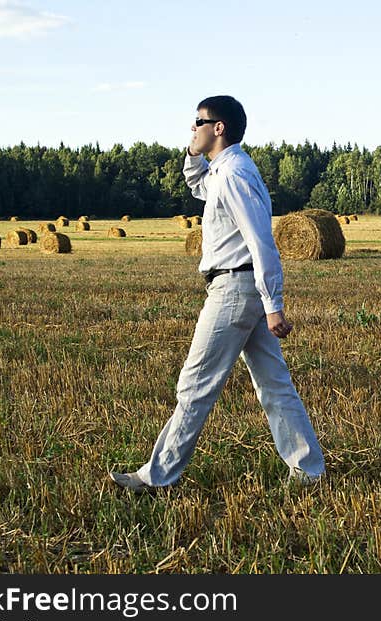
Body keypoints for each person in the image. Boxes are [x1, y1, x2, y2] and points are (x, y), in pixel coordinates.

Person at [110, 95, 325, 492]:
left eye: (198, 122)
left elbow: (261, 241)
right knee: (275, 384)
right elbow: (197, 186)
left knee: (195, 386)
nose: (193, 127)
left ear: (219, 127)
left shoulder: (234, 175)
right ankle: (309, 472)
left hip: (235, 288)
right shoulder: (226, 170)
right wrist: (192, 153)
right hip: (242, 288)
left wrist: (274, 304)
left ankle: (157, 477)